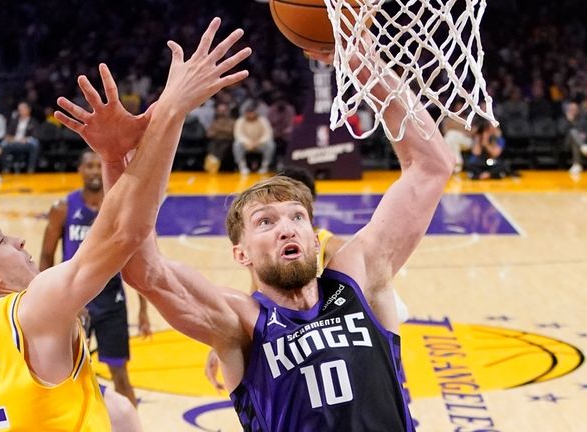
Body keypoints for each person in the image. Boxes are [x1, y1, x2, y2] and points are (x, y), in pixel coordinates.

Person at [0, 18, 251, 431]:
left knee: (119, 412)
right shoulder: (31, 311)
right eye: (0, 239)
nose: (17, 240)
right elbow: (126, 231)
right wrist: (171, 109)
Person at [102, 42, 453, 431]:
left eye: (297, 217)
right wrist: (122, 157)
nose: (286, 226)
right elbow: (143, 268)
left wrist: (360, 59)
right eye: (265, 222)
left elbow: (431, 166)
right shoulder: (240, 322)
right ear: (242, 255)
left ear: (316, 239)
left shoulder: (360, 281)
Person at [203, 166, 410, 391]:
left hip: (361, 302)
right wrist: (233, 338)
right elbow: (260, 296)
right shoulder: (268, 252)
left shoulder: (321, 240)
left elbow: (355, 259)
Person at [39, 148, 152, 406]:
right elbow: (46, 258)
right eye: (87, 166)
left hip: (112, 303)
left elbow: (135, 260)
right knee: (65, 378)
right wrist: (48, 305)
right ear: (80, 170)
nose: (92, 171)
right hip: (74, 305)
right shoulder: (63, 209)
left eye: (96, 165)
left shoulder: (118, 209)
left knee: (120, 376)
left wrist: (143, 309)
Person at [233, 100, 276, 175]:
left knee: (270, 144)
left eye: (252, 113)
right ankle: (242, 167)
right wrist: (248, 142)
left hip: (260, 144)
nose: (250, 115)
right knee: (236, 144)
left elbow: (268, 133)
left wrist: (259, 142)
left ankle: (264, 166)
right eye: (248, 113)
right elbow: (238, 135)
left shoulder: (263, 120)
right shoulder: (240, 121)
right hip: (246, 144)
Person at [1, 101, 41, 173]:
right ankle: (5, 169)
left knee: (35, 144)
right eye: (20, 109)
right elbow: (7, 135)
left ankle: (30, 169)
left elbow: (35, 136)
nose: (21, 111)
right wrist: (14, 139)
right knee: (3, 144)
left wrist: (26, 139)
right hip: (14, 142)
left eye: (23, 109)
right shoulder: (14, 121)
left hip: (26, 143)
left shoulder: (33, 121)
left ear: (29, 109)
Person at [563, 100, 587, 175]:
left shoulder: (582, 119)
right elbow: (561, 132)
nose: (573, 111)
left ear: (578, 110)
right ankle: (583, 147)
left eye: (575, 109)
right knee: (572, 132)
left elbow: (585, 130)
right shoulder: (564, 119)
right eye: (571, 109)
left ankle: (577, 165)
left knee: (576, 142)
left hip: (579, 142)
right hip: (566, 143)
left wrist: (584, 135)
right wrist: (570, 121)